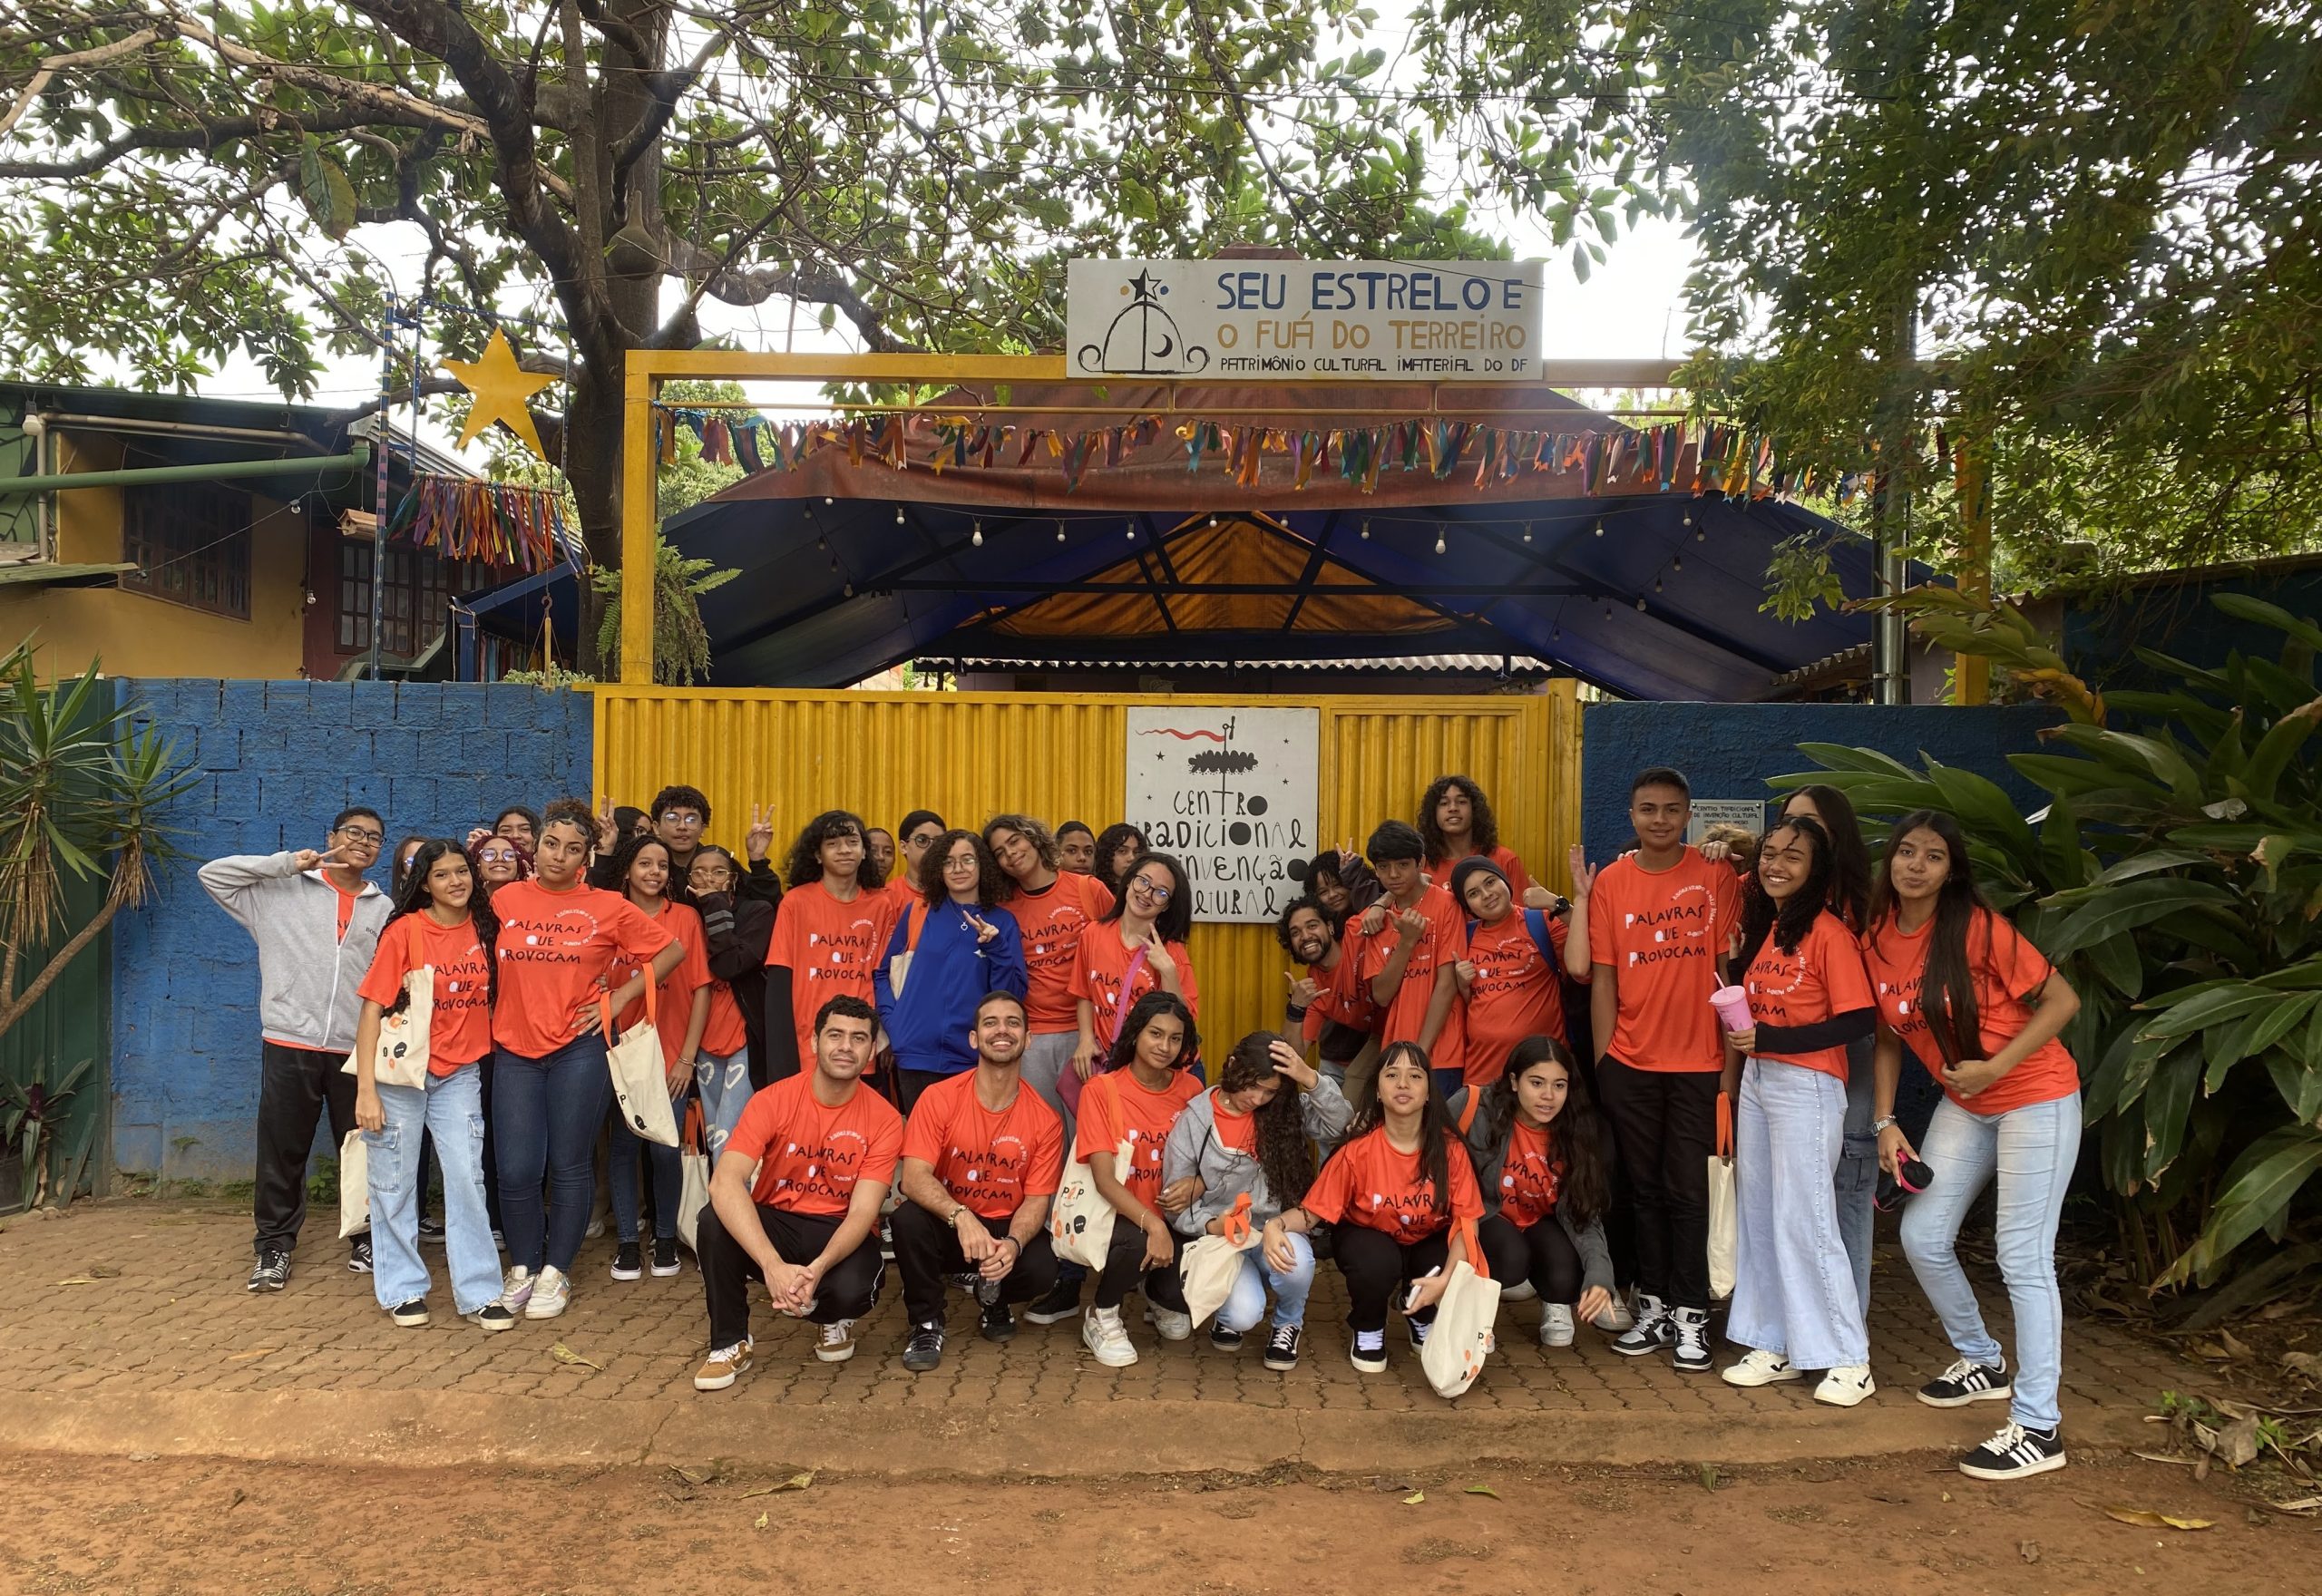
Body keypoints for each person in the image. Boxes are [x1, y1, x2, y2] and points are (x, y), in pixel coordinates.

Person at [1867, 809, 2083, 1481]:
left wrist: (1996, 1066)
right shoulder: (1877, 936)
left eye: (1933, 856)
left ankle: (2039, 1426)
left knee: (2023, 1257)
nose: (1916, 865)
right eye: (1907, 851)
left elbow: (2062, 1001)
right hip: (1967, 1104)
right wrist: (1885, 1121)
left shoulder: (1979, 928)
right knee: (1922, 1236)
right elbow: (1887, 1037)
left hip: (2036, 1097)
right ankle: (1984, 1360)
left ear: (1951, 870)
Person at [1574, 767, 1741, 1373]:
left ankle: (1692, 1313)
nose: (1661, 819)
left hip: (1700, 1064)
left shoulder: (1716, 875)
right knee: (1642, 1190)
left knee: (1688, 1191)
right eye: (1649, 809)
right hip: (1630, 1063)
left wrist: (1729, 1072)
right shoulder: (1613, 883)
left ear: (1689, 814)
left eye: (1672, 809)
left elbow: (1728, 977)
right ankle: (1654, 1306)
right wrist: (1605, 1064)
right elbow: (1603, 981)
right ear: (1632, 816)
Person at [488, 798, 682, 1321]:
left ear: (586, 857)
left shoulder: (608, 906)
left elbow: (671, 951)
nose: (559, 855)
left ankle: (556, 1272)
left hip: (578, 1049)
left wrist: (617, 1000)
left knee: (569, 1164)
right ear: (535, 848)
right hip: (514, 1050)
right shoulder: (505, 898)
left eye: (573, 849)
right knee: (516, 1168)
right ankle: (524, 1267)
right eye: (551, 844)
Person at [1715, 815, 1878, 1406]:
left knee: (1806, 1215)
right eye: (1770, 853)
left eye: (1793, 856)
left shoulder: (1830, 933)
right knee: (1761, 1212)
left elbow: (1859, 1019)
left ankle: (1849, 1357)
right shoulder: (1776, 928)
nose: (1776, 864)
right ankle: (1776, 1341)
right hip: (1762, 1080)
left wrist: (1776, 1042)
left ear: (1816, 870)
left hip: (1807, 1085)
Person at [200, 807, 392, 1290]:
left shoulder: (384, 909)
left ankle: (365, 1237)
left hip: (355, 1048)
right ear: (331, 836)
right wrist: (287, 863)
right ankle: (274, 1247)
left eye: (374, 838)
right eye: (353, 832)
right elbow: (212, 875)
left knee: (362, 1148)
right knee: (282, 1149)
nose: (363, 842)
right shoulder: (280, 892)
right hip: (289, 1041)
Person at [692, 996, 902, 1387]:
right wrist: (771, 1265)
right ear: (814, 1041)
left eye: (858, 1038)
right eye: (835, 1035)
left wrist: (818, 1269)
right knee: (713, 1220)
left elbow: (863, 1213)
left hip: (836, 1227)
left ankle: (828, 1313)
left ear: (872, 1050)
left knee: (856, 1289)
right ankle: (730, 1342)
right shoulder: (772, 1099)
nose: (845, 1047)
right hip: (778, 1222)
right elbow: (725, 1180)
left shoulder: (885, 1119)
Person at [349, 839, 513, 1330]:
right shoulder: (405, 931)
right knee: (394, 1182)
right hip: (402, 1077)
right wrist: (365, 1090)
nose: (455, 881)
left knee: (467, 1179)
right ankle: (402, 1289)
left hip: (460, 1073)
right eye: (441, 875)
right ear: (424, 884)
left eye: (461, 871)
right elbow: (372, 1009)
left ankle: (480, 1292)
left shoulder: (486, 927)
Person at [1272, 1041, 1484, 1373]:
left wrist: (1446, 1280)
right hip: (1369, 1236)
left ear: (1429, 1092)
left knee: (1446, 1258)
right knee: (1375, 1263)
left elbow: (1467, 1222)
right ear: (1378, 1092)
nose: (1403, 1084)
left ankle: (1422, 1313)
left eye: (1415, 1076)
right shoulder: (1357, 1151)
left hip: (1427, 1238)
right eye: (1392, 1075)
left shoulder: (1450, 1150)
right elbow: (1313, 1212)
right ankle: (1369, 1325)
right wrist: (1276, 1225)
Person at [893, 990, 1068, 1370]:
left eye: (1013, 1023)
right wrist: (961, 1216)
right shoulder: (938, 1098)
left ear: (1027, 1039)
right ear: (974, 1038)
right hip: (949, 1224)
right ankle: (926, 1322)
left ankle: (994, 1296)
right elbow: (914, 1178)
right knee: (906, 1220)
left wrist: (1014, 1245)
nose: (1001, 1030)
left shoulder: (1045, 1120)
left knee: (1043, 1265)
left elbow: (1037, 1200)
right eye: (990, 1023)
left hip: (1003, 1227)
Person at [1162, 1031, 1350, 1368]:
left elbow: (1341, 1125)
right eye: (1253, 1086)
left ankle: (1288, 1322)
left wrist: (1309, 1077)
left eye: (1269, 1091)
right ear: (1233, 1065)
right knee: (1243, 1314)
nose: (1258, 1098)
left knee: (1296, 1263)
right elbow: (1177, 1205)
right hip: (1225, 1239)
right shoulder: (1196, 1120)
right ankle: (1229, 1313)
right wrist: (1213, 1223)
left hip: (1275, 1228)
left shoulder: (1283, 1110)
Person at [1770, 785, 1879, 1319]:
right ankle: (1800, 1321)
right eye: (1789, 822)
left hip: (1851, 1050)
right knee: (1797, 1193)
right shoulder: (1778, 899)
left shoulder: (1861, 905)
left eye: (1811, 824)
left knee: (1848, 1178)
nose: (1798, 833)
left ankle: (1847, 1323)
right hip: (1782, 1063)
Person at [1453, 1036, 1615, 1348]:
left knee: (1566, 1270)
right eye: (1537, 1083)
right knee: (1511, 1256)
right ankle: (1473, 1313)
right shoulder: (1478, 1106)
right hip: (1485, 1217)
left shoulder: (1576, 1131)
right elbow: (1426, 1143)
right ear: (1514, 1081)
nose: (1548, 1096)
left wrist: (1600, 1276)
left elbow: (1585, 1215)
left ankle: (1556, 1304)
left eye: (1559, 1085)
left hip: (1538, 1221)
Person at [601, 831, 712, 1282]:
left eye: (662, 865)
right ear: (627, 869)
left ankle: (665, 1237)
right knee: (624, 1148)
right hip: (621, 1054)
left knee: (666, 1150)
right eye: (645, 863)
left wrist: (687, 1057)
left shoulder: (684, 918)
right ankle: (628, 1242)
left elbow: (701, 988)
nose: (654, 872)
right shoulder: (608, 913)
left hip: (670, 1057)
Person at [1069, 991, 1204, 1367]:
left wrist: (1198, 1185)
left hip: (1176, 1216)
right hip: (1119, 1216)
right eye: (1155, 1034)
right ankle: (1102, 1313)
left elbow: (1209, 1161)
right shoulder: (1102, 1090)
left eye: (1175, 1038)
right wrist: (1153, 1226)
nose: (1165, 1046)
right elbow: (1103, 1180)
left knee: (1184, 1296)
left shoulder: (1191, 1090)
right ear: (1136, 1033)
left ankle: (1156, 1294)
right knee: (1138, 1242)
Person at [875, 828, 1028, 1109]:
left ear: (982, 865)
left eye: (967, 860)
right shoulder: (918, 912)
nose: (958, 868)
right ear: (939, 869)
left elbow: (1011, 996)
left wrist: (996, 947)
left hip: (972, 1057)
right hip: (915, 1056)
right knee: (920, 1136)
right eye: (948, 861)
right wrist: (895, 1023)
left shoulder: (1002, 922)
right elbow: (883, 973)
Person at [985, 814, 1114, 1118]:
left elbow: (1122, 947)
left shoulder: (1088, 889)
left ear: (1033, 838)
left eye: (1014, 841)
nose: (1010, 854)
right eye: (1000, 852)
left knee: (1090, 1133)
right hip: (1035, 1036)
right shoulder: (1002, 909)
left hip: (1089, 1032)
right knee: (1044, 1132)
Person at [762, 810, 890, 1083]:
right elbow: (780, 978)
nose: (844, 850)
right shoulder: (796, 902)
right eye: (832, 844)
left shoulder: (881, 904)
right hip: (808, 1042)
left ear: (864, 852)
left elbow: (885, 978)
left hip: (861, 1041)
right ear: (818, 855)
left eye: (852, 842)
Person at [1344, 821, 1467, 1098]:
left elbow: (1447, 984)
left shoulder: (1446, 904)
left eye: (1402, 865)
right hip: (1396, 1052)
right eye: (1384, 867)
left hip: (1442, 1052)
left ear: (1420, 863)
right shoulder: (1377, 920)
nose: (1393, 874)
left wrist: (1420, 1054)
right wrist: (1407, 942)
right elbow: (1382, 994)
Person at [1070, 851, 1200, 1093]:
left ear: (1168, 905)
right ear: (1129, 881)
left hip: (1163, 1070)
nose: (1147, 894)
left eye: (1161, 893)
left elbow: (1183, 1024)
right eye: (1143, 881)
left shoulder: (1172, 951)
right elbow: (1084, 993)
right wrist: (1085, 1039)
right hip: (1114, 1064)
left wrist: (1168, 972)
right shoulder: (1093, 933)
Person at [1450, 855, 1581, 1093]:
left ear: (1505, 881)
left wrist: (1556, 904)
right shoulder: (1464, 936)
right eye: (1473, 893)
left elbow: (1593, 941)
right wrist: (1462, 986)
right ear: (1467, 906)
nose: (1486, 894)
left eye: (1490, 882)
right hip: (1483, 1074)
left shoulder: (1541, 920)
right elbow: (1474, 1003)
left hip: (1542, 1075)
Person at [688, 844, 770, 1143]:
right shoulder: (686, 916)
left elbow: (730, 965)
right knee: (712, 1134)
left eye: (719, 872)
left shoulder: (756, 912)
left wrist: (714, 905)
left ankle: (729, 1179)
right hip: (699, 1036)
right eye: (699, 873)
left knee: (730, 1135)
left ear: (733, 878)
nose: (709, 879)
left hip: (743, 1037)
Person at [1278, 894, 1379, 1139]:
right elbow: (1296, 1054)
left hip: (1402, 1027)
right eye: (1295, 933)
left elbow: (1398, 895)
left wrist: (1379, 904)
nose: (1305, 936)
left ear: (1331, 927)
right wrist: (1296, 1008)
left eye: (1312, 925)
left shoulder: (1355, 933)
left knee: (1346, 1112)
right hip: (1369, 1043)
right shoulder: (1313, 987)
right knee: (1338, 1124)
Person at [1418, 774, 1547, 905]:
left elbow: (1520, 914)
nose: (1453, 808)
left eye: (1461, 802)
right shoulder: (1421, 865)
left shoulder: (1505, 859)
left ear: (1474, 809)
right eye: (1444, 803)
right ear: (1433, 813)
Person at [887, 809, 946, 910]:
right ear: (904, 847)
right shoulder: (889, 896)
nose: (932, 848)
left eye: (939, 841)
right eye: (922, 840)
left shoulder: (954, 890)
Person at [1306, 842, 1382, 918]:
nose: (1332, 895)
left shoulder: (1380, 908)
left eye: (1337, 885)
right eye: (1323, 892)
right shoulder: (1319, 921)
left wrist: (1354, 873)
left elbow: (1369, 907)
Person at [1091, 822, 1148, 897]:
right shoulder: (1095, 890)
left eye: (1136, 852)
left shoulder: (1146, 892)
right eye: (1122, 851)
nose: (1132, 858)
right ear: (1107, 854)